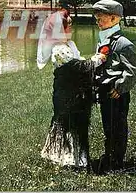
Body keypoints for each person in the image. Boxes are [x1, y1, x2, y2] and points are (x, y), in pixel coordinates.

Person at [38, 9, 106, 169]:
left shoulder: (69, 45)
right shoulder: (58, 49)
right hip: (66, 94)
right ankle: (68, 159)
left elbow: (79, 60)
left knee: (76, 124)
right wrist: (98, 59)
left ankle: (75, 157)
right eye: (68, 27)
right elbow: (79, 66)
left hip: (74, 93)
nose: (71, 30)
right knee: (66, 123)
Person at [92, 0, 136, 173]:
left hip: (116, 93)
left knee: (118, 127)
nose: (98, 21)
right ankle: (110, 156)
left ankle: (117, 161)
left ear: (114, 19)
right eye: (97, 18)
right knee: (108, 125)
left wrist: (119, 87)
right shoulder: (103, 40)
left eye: (101, 18)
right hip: (105, 91)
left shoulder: (123, 43)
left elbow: (132, 70)